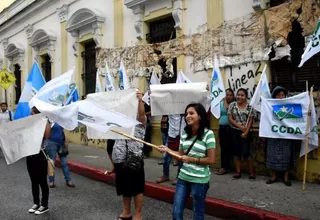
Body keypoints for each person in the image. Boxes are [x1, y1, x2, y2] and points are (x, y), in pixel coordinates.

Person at [159, 103, 216, 220]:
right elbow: (180, 155)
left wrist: (191, 159)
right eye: (186, 114)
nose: (187, 116)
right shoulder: (184, 133)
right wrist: (167, 150)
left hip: (200, 180)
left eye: (191, 113)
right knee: (176, 213)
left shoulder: (208, 134)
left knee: (197, 213)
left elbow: (211, 160)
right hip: (183, 178)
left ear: (200, 116)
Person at [112, 90, 146, 220]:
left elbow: (142, 115)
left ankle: (138, 214)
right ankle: (126, 212)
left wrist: (139, 100)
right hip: (119, 157)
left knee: (137, 188)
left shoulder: (139, 119)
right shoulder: (119, 119)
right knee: (124, 187)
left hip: (134, 158)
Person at [265, 86, 297, 186]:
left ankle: (286, 177)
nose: (281, 97)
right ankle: (273, 176)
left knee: (287, 156)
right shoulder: (269, 107)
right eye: (279, 95)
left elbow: (296, 121)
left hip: (286, 137)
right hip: (273, 136)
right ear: (274, 96)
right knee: (272, 156)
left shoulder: (291, 107)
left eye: (283, 95)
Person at [228, 88, 256, 180]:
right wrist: (240, 126)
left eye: (242, 95)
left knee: (246, 152)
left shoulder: (250, 107)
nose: (240, 97)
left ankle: (251, 173)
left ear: (245, 97)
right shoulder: (232, 105)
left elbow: (251, 120)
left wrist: (246, 132)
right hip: (235, 131)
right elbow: (230, 119)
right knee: (236, 152)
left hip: (246, 133)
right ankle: (238, 172)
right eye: (238, 95)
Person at [27, 107, 51, 215]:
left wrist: (44, 120)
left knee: (42, 181)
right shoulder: (30, 125)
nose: (30, 115)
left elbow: (47, 136)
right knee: (33, 181)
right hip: (30, 155)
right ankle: (36, 202)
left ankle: (44, 205)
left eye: (32, 113)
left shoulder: (45, 123)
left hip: (40, 154)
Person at [156, 114, 185, 185]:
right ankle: (165, 175)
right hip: (171, 134)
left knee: (180, 157)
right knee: (166, 157)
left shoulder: (186, 110)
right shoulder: (170, 108)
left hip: (183, 136)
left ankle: (179, 177)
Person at [46, 123, 75, 188]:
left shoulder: (61, 119)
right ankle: (51, 181)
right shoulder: (50, 119)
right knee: (52, 162)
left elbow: (62, 131)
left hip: (61, 143)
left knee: (64, 163)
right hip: (51, 143)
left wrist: (65, 141)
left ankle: (69, 180)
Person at [215, 89, 235, 175]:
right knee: (223, 147)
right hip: (222, 128)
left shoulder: (235, 105)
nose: (228, 96)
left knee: (230, 148)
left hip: (231, 129)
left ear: (233, 96)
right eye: (227, 95)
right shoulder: (221, 104)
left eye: (230, 95)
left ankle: (227, 167)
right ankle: (223, 167)